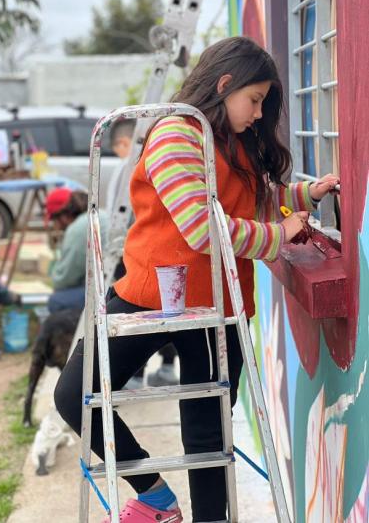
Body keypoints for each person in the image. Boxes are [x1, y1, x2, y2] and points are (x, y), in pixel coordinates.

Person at [54, 37, 340, 523]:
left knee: (207, 440)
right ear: (224, 84)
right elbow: (203, 226)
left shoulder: (237, 142)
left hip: (216, 304)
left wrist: (307, 194)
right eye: (254, 100)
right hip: (147, 292)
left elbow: (251, 201)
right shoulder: (176, 135)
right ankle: (155, 494)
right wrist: (278, 235)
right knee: (74, 395)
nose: (258, 113)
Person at [107, 119, 179, 390]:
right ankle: (165, 368)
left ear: (125, 143)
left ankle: (136, 375)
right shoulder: (147, 162)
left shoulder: (130, 167)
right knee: (164, 312)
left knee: (140, 315)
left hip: (134, 252)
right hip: (156, 252)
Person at [46, 188, 108, 314]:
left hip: (107, 291)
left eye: (55, 221)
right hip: (113, 282)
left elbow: (63, 279)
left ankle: (81, 333)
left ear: (63, 216)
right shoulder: (99, 214)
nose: (56, 226)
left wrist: (54, 271)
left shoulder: (77, 229)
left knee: (56, 301)